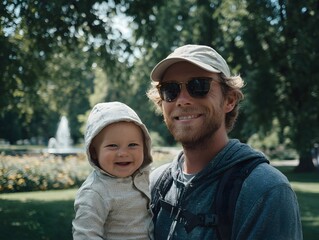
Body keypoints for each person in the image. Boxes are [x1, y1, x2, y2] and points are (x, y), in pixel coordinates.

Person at [147, 44, 302, 240]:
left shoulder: (264, 191)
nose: (182, 100)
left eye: (199, 86)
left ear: (229, 100)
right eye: (170, 89)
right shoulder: (155, 184)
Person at [72, 101, 154, 240]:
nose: (123, 153)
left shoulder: (146, 177)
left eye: (132, 145)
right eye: (112, 146)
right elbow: (85, 235)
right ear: (94, 152)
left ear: (145, 147)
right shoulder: (95, 192)